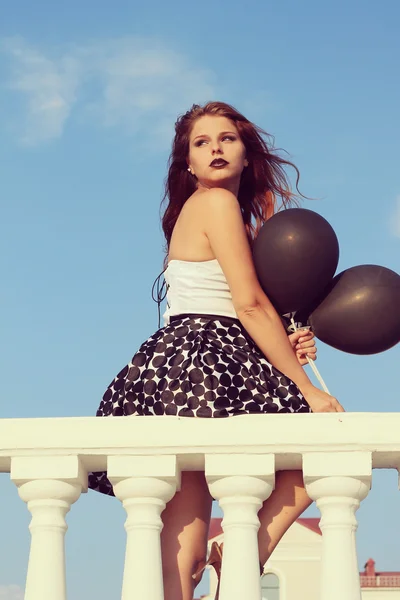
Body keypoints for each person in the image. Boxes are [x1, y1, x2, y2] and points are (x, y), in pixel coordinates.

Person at [88, 101, 344, 600]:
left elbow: (242, 308)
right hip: (204, 356)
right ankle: (242, 552)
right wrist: (305, 386)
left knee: (182, 543)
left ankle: (236, 554)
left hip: (199, 359)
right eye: (201, 143)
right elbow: (247, 305)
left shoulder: (229, 215)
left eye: (226, 139)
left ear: (246, 154)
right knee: (322, 445)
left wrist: (287, 340)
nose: (215, 149)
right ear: (189, 164)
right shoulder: (215, 204)